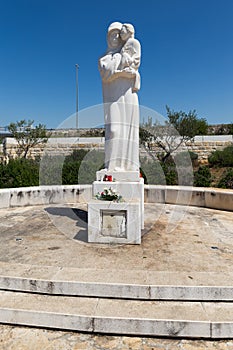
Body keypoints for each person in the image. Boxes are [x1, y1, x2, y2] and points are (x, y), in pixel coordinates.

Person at [98, 22, 141, 172]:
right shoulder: (104, 59)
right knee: (114, 130)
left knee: (129, 132)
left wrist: (128, 72)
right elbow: (107, 75)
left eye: (118, 34)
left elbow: (135, 71)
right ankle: (111, 166)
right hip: (113, 99)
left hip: (128, 96)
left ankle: (128, 166)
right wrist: (122, 73)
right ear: (107, 37)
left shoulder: (127, 52)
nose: (115, 37)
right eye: (112, 34)